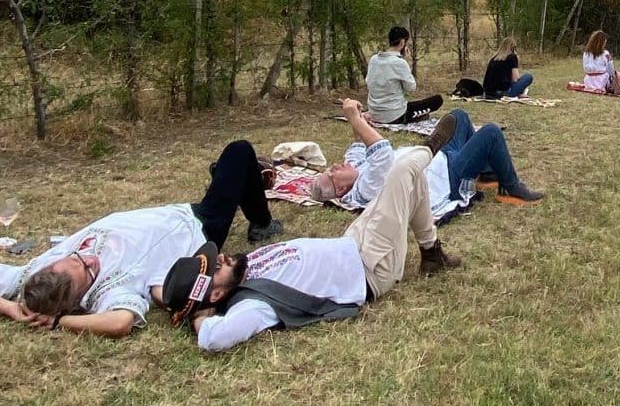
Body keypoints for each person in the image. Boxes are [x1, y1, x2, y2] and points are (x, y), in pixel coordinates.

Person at [0, 140, 283, 337]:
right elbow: (121, 322)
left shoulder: (35, 270)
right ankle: (261, 221)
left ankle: (243, 185)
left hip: (175, 209)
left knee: (237, 170)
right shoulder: (109, 292)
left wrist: (8, 307)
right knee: (239, 152)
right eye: (88, 270)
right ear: (82, 294)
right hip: (198, 230)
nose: (89, 257)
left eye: (77, 257)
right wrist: (57, 321)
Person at [158, 138, 462, 352]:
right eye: (216, 268)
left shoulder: (241, 273)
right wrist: (199, 317)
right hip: (371, 266)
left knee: (413, 182)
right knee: (404, 170)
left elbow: (163, 291)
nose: (222, 257)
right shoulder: (253, 304)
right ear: (216, 293)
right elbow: (215, 339)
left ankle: (431, 253)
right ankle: (432, 147)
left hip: (352, 243)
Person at [311, 101, 543, 209]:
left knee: (459, 115)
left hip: (436, 159)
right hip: (444, 177)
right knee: (491, 132)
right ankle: (509, 186)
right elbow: (381, 152)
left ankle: (484, 171)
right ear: (341, 190)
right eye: (332, 173)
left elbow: (357, 144)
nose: (334, 166)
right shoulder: (365, 188)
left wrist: (360, 120)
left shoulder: (354, 168)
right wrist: (352, 118)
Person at [365, 25, 444, 124]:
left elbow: (368, 81)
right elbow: (411, 88)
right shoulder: (399, 63)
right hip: (394, 115)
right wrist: (405, 61)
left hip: (374, 112)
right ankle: (416, 117)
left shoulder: (374, 59)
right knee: (437, 100)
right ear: (402, 42)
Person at [482, 36, 534, 100]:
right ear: (513, 47)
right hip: (503, 93)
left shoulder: (494, 58)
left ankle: (519, 92)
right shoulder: (512, 57)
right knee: (528, 76)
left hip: (488, 93)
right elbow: (515, 79)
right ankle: (519, 93)